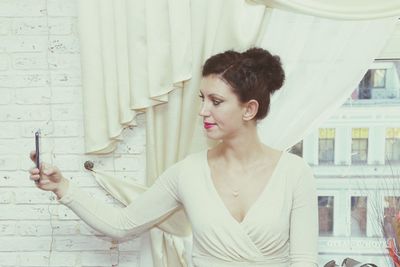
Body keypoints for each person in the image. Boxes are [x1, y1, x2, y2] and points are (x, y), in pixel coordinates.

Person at [29, 47, 318, 267]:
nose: (203, 111)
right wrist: (61, 186)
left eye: (216, 101)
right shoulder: (187, 173)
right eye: (202, 99)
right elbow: (122, 224)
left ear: (249, 109)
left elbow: (305, 261)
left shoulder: (294, 173)